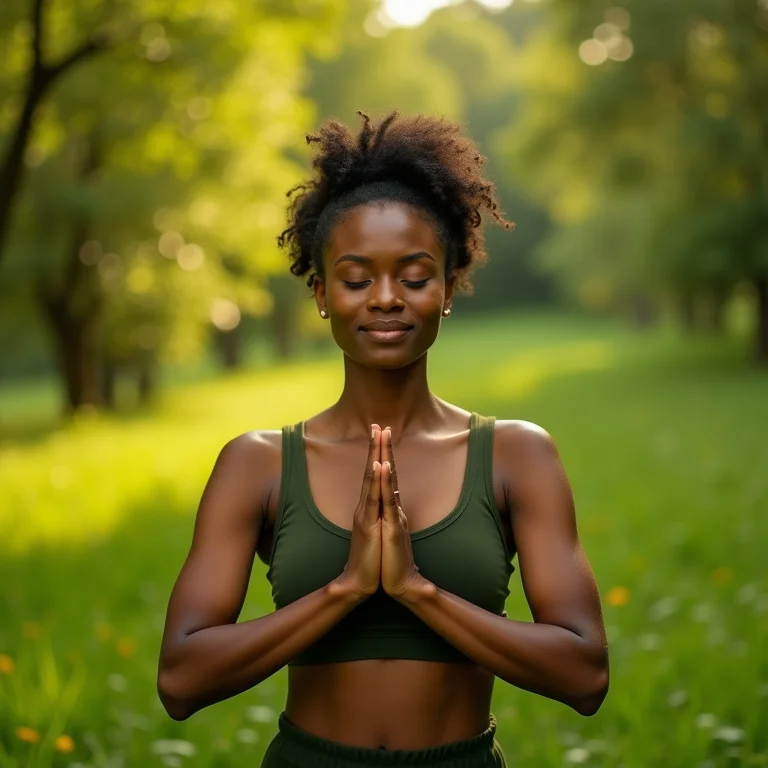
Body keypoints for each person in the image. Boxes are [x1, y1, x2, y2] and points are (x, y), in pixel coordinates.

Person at [157, 111, 609, 767]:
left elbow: (585, 675)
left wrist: (414, 589)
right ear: (320, 294)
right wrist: (344, 589)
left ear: (449, 289)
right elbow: (180, 680)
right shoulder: (256, 465)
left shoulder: (517, 455)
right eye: (357, 277)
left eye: (416, 276)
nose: (387, 298)